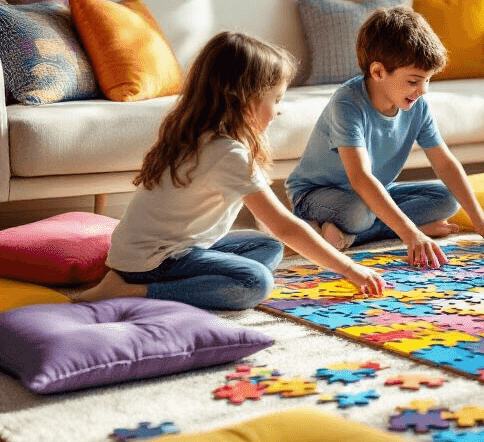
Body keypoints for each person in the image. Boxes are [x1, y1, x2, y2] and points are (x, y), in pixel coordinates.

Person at [77, 32, 385, 309]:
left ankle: (164, 284)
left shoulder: (197, 134)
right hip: (153, 263)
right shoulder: (227, 153)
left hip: (146, 255)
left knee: (265, 247)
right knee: (256, 283)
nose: (279, 110)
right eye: (275, 99)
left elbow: (275, 234)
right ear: (245, 100)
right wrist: (348, 268)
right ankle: (135, 292)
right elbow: (285, 225)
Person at [286, 6, 484, 268]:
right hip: (318, 195)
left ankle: (345, 236)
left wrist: (478, 218)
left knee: (447, 199)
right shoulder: (347, 103)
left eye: (427, 80)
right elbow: (360, 178)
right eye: (414, 81)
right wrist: (412, 234)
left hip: (376, 192)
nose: (423, 90)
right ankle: (328, 229)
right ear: (378, 72)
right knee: (358, 212)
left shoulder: (417, 105)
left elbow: (445, 163)